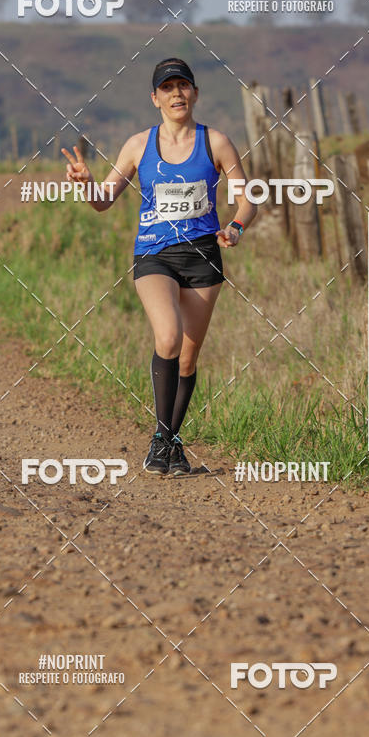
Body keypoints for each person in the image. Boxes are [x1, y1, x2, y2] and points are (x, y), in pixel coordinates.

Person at [62, 57, 256, 476]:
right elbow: (103, 201)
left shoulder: (216, 142)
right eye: (167, 88)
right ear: (155, 98)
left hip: (204, 255)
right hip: (154, 254)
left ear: (195, 93)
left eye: (183, 86)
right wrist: (85, 184)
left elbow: (247, 199)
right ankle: (160, 441)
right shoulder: (137, 145)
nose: (176, 94)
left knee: (187, 359)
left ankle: (169, 444)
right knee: (167, 337)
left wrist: (236, 228)